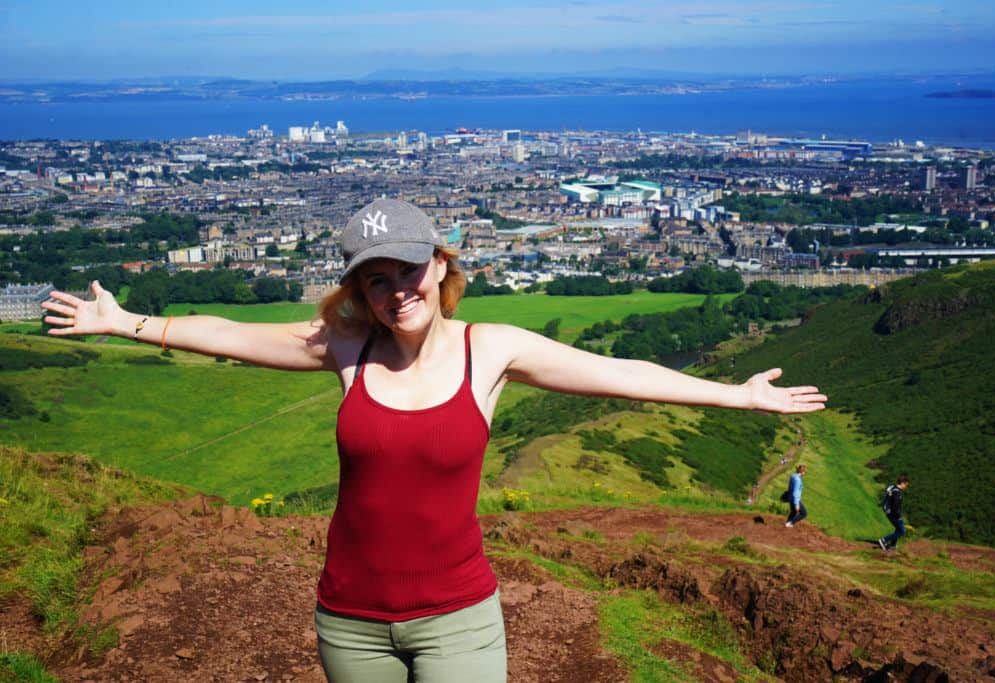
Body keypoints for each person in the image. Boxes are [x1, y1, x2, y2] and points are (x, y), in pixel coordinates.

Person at [41, 198, 828, 683]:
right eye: (373, 279)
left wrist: (737, 395)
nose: (394, 291)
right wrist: (126, 323)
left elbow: (616, 370)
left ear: (441, 264)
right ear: (358, 289)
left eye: (408, 270)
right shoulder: (346, 348)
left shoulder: (492, 349)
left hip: (458, 618)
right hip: (349, 621)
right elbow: (230, 334)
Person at [879, 474, 910, 551]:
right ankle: (884, 540)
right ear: (902, 483)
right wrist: (899, 516)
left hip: (888, 512)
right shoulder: (897, 493)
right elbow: (895, 507)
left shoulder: (892, 487)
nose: (906, 487)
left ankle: (892, 545)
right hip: (893, 514)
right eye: (906, 485)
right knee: (902, 531)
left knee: (898, 528)